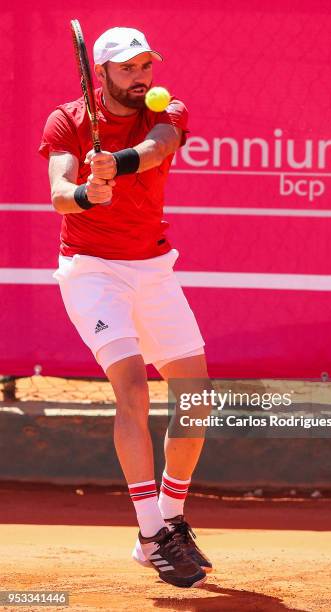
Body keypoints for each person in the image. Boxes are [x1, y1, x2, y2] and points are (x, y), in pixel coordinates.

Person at [39, 26, 212, 589]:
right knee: (133, 388)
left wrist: (117, 162)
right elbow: (59, 193)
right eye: (129, 69)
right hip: (92, 271)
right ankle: (150, 531)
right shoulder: (65, 120)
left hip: (153, 268)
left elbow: (161, 144)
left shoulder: (168, 108)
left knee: (195, 399)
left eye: (147, 67)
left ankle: (169, 519)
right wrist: (89, 192)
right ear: (103, 73)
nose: (143, 78)